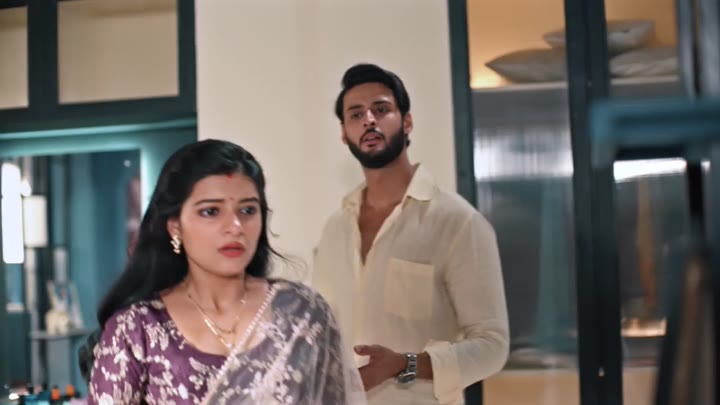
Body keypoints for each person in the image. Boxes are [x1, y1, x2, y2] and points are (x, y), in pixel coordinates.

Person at [78, 139, 365, 405]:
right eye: (211, 212)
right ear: (175, 226)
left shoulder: (302, 313)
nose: (235, 227)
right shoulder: (137, 329)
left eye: (247, 210)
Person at [312, 64, 510, 405]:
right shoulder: (335, 229)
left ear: (406, 122)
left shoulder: (457, 222)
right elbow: (322, 335)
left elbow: (492, 345)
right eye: (356, 114)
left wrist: (405, 365)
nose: (369, 120)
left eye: (381, 109)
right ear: (344, 133)